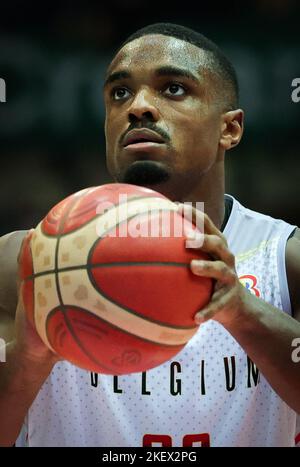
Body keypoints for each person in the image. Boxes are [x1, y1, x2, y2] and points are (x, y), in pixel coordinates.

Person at [0, 22, 299, 448]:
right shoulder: (20, 262)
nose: (138, 106)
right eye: (119, 93)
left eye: (174, 88)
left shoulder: (285, 261)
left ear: (229, 129)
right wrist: (29, 357)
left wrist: (242, 311)